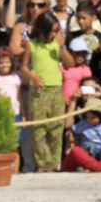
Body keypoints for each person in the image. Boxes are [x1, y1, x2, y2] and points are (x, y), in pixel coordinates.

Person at [21, 12, 72, 172]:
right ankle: (41, 164)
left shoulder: (56, 45)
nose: (54, 34)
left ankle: (53, 164)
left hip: (56, 89)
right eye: (52, 31)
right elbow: (23, 67)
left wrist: (62, 47)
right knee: (38, 129)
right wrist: (33, 77)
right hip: (39, 91)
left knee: (56, 127)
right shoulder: (32, 44)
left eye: (56, 31)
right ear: (42, 29)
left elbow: (70, 64)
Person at [0, 49, 23, 172]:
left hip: (14, 113)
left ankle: (15, 171)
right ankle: (3, 170)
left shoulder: (15, 78)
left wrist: (24, 114)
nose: (4, 65)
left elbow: (19, 97)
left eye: (7, 62)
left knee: (15, 144)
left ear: (11, 63)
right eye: (1, 62)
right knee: (1, 143)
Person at [61, 100, 101, 172]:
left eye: (93, 117)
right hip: (88, 149)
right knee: (76, 151)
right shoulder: (83, 123)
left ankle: (92, 166)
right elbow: (70, 129)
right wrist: (72, 142)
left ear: (100, 117)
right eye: (88, 117)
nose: (89, 120)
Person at [62, 37, 92, 104]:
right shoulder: (62, 67)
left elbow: (88, 88)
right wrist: (63, 98)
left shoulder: (86, 69)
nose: (80, 56)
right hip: (62, 101)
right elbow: (59, 85)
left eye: (83, 53)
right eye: (77, 53)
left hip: (79, 102)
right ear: (70, 53)